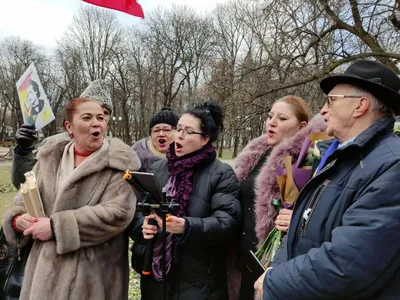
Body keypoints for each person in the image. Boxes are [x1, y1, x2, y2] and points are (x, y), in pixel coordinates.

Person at [255, 60, 400, 300]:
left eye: (331, 100)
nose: (322, 110)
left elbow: (348, 265)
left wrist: (275, 282)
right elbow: (299, 233)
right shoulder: (340, 157)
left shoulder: (391, 164)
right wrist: (276, 268)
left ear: (360, 106)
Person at [2, 98, 140, 300]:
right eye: (87, 117)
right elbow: (24, 196)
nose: (96, 123)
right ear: (69, 127)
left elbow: (118, 213)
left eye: (100, 118)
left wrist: (56, 227)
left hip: (92, 279)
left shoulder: (118, 164)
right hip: (42, 277)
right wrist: (18, 219)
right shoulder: (49, 158)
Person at [136, 101, 242, 299]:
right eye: (179, 129)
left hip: (200, 280)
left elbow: (228, 222)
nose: (180, 136)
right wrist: (144, 226)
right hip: (157, 276)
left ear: (205, 139)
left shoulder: (221, 174)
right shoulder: (158, 169)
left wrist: (186, 226)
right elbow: (138, 210)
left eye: (188, 131)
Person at [233, 95, 327, 299]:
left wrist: (295, 218)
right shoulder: (254, 156)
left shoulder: (308, 162)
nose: (272, 122)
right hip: (241, 259)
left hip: (274, 262)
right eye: (270, 116)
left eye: (282, 118)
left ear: (302, 126)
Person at [11, 79, 113, 189]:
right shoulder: (51, 146)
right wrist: (23, 152)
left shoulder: (117, 153)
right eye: (88, 114)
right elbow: (24, 184)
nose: (97, 118)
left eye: (104, 113)